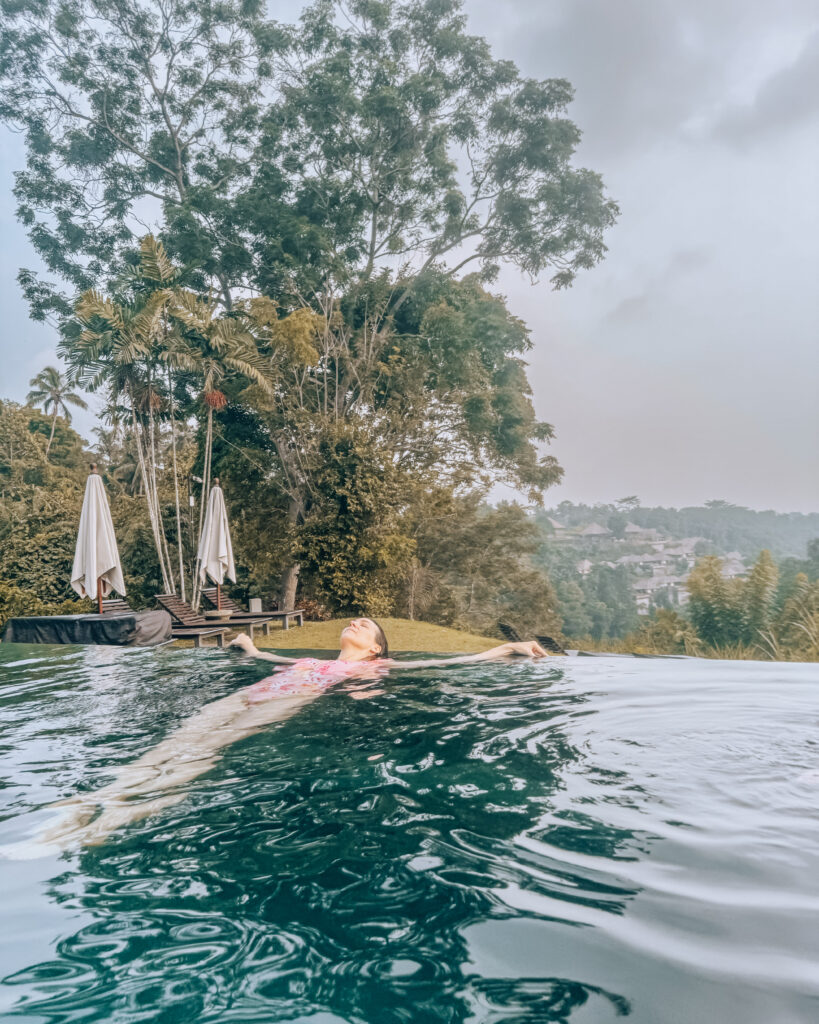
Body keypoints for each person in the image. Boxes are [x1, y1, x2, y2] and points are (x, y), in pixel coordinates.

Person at [31, 620, 547, 851]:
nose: (356, 623)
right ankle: (90, 802)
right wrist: (246, 646)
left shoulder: (372, 670)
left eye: (364, 625)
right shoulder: (314, 659)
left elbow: (454, 664)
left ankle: (115, 818)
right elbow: (263, 659)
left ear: (374, 650)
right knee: (173, 745)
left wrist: (506, 650)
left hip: (281, 702)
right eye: (355, 620)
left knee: (203, 753)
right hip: (250, 694)